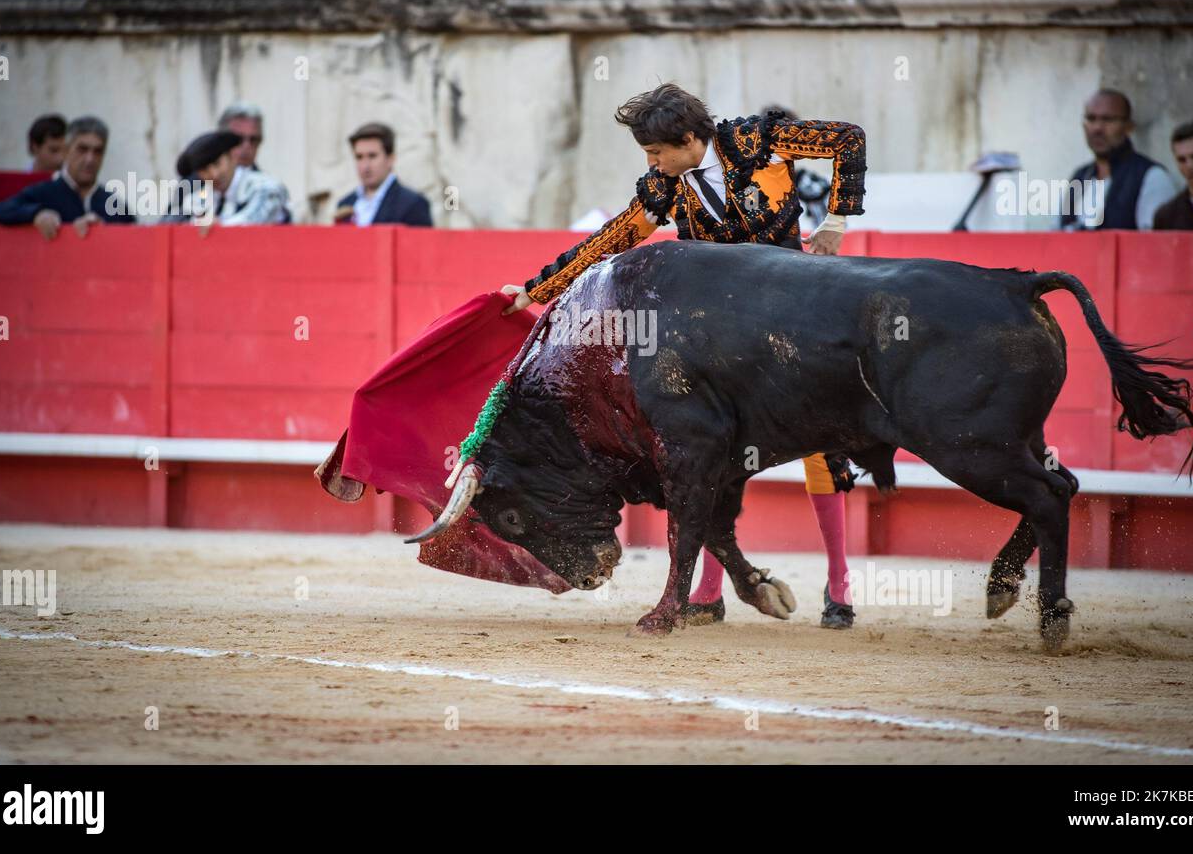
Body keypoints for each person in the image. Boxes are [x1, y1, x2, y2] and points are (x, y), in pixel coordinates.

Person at [501, 83, 867, 628]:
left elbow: (847, 140)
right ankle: (709, 591)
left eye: (657, 152)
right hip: (719, 336)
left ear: (692, 139)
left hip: (791, 314)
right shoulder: (665, 186)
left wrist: (837, 218)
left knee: (821, 448)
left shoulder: (759, 139)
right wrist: (535, 291)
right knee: (707, 455)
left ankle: (839, 590)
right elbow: (613, 238)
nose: (652, 163)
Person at [0, 116, 131, 239]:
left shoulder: (113, 204)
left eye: (97, 152)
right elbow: (1, 211)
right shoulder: (44, 193)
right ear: (66, 151)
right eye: (82, 149)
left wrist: (105, 231)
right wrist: (36, 215)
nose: (90, 159)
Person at [1062, 88, 1175, 231]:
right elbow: (1058, 233)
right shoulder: (1079, 177)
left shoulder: (1151, 177)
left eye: (1108, 120)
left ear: (1128, 127)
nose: (1097, 128)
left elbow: (1154, 245)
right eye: (1091, 119)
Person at [174, 129, 289, 227]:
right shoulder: (198, 200)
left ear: (233, 157)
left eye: (217, 164)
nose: (214, 174)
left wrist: (217, 227)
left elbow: (254, 221)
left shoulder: (266, 187)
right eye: (205, 170)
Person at [334, 122, 432, 226]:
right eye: (359, 157)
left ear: (390, 159)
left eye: (372, 156)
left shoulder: (413, 204)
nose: (365, 165)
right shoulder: (345, 203)